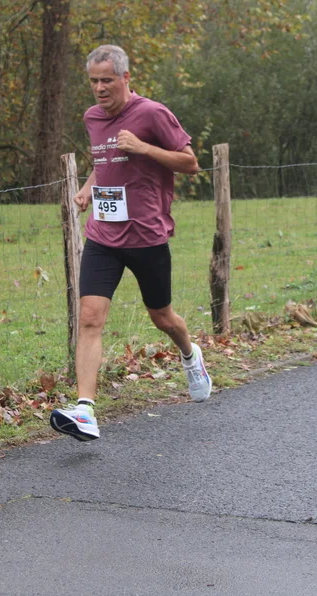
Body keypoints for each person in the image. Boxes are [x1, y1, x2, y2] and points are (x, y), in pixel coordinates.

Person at [49, 44, 212, 442]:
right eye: (93, 81)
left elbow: (191, 163)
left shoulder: (153, 114)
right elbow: (103, 161)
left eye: (107, 80)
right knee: (90, 318)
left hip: (146, 236)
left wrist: (143, 148)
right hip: (103, 235)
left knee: (162, 318)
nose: (99, 88)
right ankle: (85, 410)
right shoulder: (92, 117)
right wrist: (88, 188)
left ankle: (190, 355)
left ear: (125, 78)